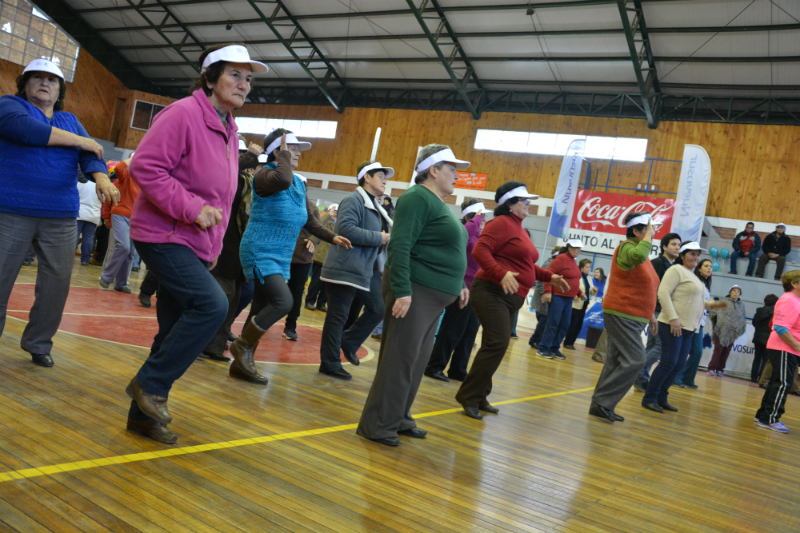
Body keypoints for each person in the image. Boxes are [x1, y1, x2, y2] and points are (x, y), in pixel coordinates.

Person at [125, 43, 267, 444]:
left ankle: (142, 415)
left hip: (195, 243)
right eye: (235, 75)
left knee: (171, 329)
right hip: (164, 234)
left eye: (249, 79)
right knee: (212, 304)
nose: (244, 85)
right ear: (209, 78)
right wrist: (191, 208)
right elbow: (146, 168)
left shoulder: (228, 126)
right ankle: (150, 384)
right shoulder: (183, 114)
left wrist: (213, 244)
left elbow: (221, 196)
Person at [0, 58, 116, 368]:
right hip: (10, 210)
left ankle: (38, 343)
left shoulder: (70, 119)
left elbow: (91, 155)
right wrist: (82, 140)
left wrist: (102, 177)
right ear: (24, 84)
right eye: (36, 78)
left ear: (60, 89)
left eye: (51, 80)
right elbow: (27, 130)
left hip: (61, 215)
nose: (44, 83)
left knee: (56, 284)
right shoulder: (10, 106)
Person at [357, 144, 471, 447]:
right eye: (452, 169)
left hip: (433, 297)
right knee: (400, 360)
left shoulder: (436, 203)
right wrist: (403, 291)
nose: (457, 176)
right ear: (433, 170)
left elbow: (444, 249)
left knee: (416, 361)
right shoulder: (417, 197)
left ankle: (399, 417)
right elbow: (401, 246)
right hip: (415, 292)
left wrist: (458, 281)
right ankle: (378, 425)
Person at [232, 128, 351, 385]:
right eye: (292, 148)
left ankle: (241, 362)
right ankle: (241, 348)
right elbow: (282, 179)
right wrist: (282, 152)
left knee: (260, 307)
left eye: (295, 149)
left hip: (281, 255)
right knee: (283, 302)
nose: (297, 153)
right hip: (260, 249)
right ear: (278, 150)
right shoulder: (264, 177)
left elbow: (309, 220)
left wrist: (333, 237)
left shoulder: (298, 182)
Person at [455, 181, 568, 419]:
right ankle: (469, 396)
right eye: (524, 201)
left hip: (509, 297)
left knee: (496, 345)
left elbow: (526, 266)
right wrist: (500, 273)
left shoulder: (517, 228)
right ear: (510, 204)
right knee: (496, 344)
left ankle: (480, 394)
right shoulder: (501, 223)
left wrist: (550, 276)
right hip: (491, 291)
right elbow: (479, 251)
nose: (528, 205)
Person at [318, 161, 393, 380]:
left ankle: (349, 341)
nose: (384, 180)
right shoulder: (353, 200)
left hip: (363, 270)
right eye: (380, 175)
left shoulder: (374, 205)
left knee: (378, 307)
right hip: (345, 268)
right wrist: (380, 237)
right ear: (366, 178)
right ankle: (329, 363)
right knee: (337, 317)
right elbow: (346, 230)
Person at [589, 212, 659, 423]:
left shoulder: (642, 254)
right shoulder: (627, 248)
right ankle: (603, 401)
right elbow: (637, 256)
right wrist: (648, 238)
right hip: (622, 313)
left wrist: (651, 315)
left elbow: (648, 287)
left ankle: (599, 406)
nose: (652, 233)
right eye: (647, 228)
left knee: (615, 360)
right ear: (635, 231)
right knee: (636, 360)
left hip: (634, 316)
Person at [643, 242, 727, 414]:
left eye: (698, 255)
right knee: (668, 363)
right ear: (682, 255)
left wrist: (716, 305)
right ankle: (649, 397)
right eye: (692, 254)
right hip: (672, 325)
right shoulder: (675, 271)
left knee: (678, 364)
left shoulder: (693, 276)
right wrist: (673, 318)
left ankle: (661, 397)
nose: (696, 258)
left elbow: (699, 302)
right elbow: (663, 293)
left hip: (689, 328)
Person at [199, 142, 263, 360]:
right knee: (220, 298)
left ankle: (214, 347)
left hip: (238, 249)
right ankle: (199, 344)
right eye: (239, 153)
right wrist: (251, 155)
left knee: (233, 298)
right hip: (222, 245)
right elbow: (230, 173)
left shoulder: (247, 181)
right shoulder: (226, 175)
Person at [425, 198, 485, 383]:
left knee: (470, 331)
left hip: (476, 288)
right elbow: (465, 236)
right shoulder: (464, 230)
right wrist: (475, 219)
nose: (483, 220)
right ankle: (434, 366)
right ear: (470, 216)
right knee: (453, 329)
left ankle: (458, 369)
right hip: (462, 287)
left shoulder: (479, 234)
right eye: (480, 216)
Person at [634, 232, 682, 392]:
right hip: (656, 310)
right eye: (674, 244)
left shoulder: (674, 267)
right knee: (660, 346)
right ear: (664, 247)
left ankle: (642, 378)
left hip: (661, 310)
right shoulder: (657, 263)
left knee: (653, 345)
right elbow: (649, 287)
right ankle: (638, 372)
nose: (677, 247)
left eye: (679, 245)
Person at [755, 270, 800, 433]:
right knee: (782, 383)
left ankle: (763, 415)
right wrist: (797, 346)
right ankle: (770, 419)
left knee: (777, 382)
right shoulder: (790, 300)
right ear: (794, 284)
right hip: (784, 348)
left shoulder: (794, 300)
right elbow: (781, 327)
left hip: (786, 348)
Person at [537, 240, 585, 360]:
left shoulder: (573, 261)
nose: (578, 251)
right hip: (558, 297)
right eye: (576, 248)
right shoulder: (561, 259)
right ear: (569, 248)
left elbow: (573, 280)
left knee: (564, 324)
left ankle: (554, 348)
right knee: (553, 323)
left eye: (580, 248)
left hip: (568, 299)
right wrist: (548, 292)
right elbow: (548, 274)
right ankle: (543, 348)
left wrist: (579, 293)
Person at [283, 201, 322, 341]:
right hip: (279, 255)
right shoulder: (281, 200)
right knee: (268, 290)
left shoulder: (312, 207)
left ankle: (290, 326)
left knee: (297, 293)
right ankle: (258, 324)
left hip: (302, 257)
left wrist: (313, 239)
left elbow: (319, 230)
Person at [99, 159, 139, 294]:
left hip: (136, 220)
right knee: (123, 246)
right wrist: (106, 217)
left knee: (130, 252)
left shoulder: (146, 183)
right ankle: (106, 276)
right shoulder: (125, 175)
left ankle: (121, 284)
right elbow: (118, 169)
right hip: (120, 214)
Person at [674, 258, 713, 389]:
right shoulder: (695, 282)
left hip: (699, 323)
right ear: (699, 268)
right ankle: (677, 378)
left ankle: (687, 378)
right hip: (690, 321)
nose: (709, 268)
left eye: (711, 267)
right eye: (706, 266)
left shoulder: (706, 284)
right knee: (684, 351)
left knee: (697, 352)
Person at [706, 285, 748, 377]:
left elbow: (742, 318)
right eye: (734, 291)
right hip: (720, 330)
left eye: (738, 291)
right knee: (718, 349)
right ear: (730, 292)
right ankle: (711, 368)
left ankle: (720, 369)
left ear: (740, 294)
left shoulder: (741, 305)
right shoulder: (723, 301)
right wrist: (717, 325)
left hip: (732, 333)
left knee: (726, 351)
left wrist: (737, 328)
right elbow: (713, 313)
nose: (736, 293)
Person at [305, 204, 337, 312]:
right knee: (316, 282)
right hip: (321, 258)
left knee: (327, 285)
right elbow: (318, 223)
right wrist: (328, 215)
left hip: (332, 259)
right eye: (335, 210)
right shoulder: (325, 220)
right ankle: (310, 301)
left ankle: (321, 303)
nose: (336, 213)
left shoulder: (340, 224)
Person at [528, 247, 560, 350]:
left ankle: (539, 340)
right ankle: (535, 340)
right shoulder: (548, 264)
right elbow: (541, 281)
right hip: (543, 296)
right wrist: (544, 293)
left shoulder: (553, 264)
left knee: (545, 319)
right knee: (544, 318)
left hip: (546, 296)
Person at [563, 258, 593, 350]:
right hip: (575, 304)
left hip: (583, 304)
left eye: (589, 267)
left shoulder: (588, 278)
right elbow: (572, 286)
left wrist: (593, 289)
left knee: (578, 325)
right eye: (587, 267)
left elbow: (589, 290)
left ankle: (571, 342)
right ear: (581, 268)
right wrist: (574, 294)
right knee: (573, 324)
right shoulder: (577, 276)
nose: (588, 269)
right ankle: (567, 342)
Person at [750, 294, 778, 383]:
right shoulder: (774, 313)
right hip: (768, 339)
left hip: (757, 337)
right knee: (765, 360)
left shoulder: (759, 311)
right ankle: (761, 377)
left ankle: (753, 377)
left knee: (757, 358)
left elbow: (754, 323)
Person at [76, 179, 101, 266]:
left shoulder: (80, 182)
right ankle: (85, 260)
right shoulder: (101, 185)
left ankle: (68, 257)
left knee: (74, 237)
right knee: (88, 238)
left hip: (79, 213)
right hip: (94, 215)